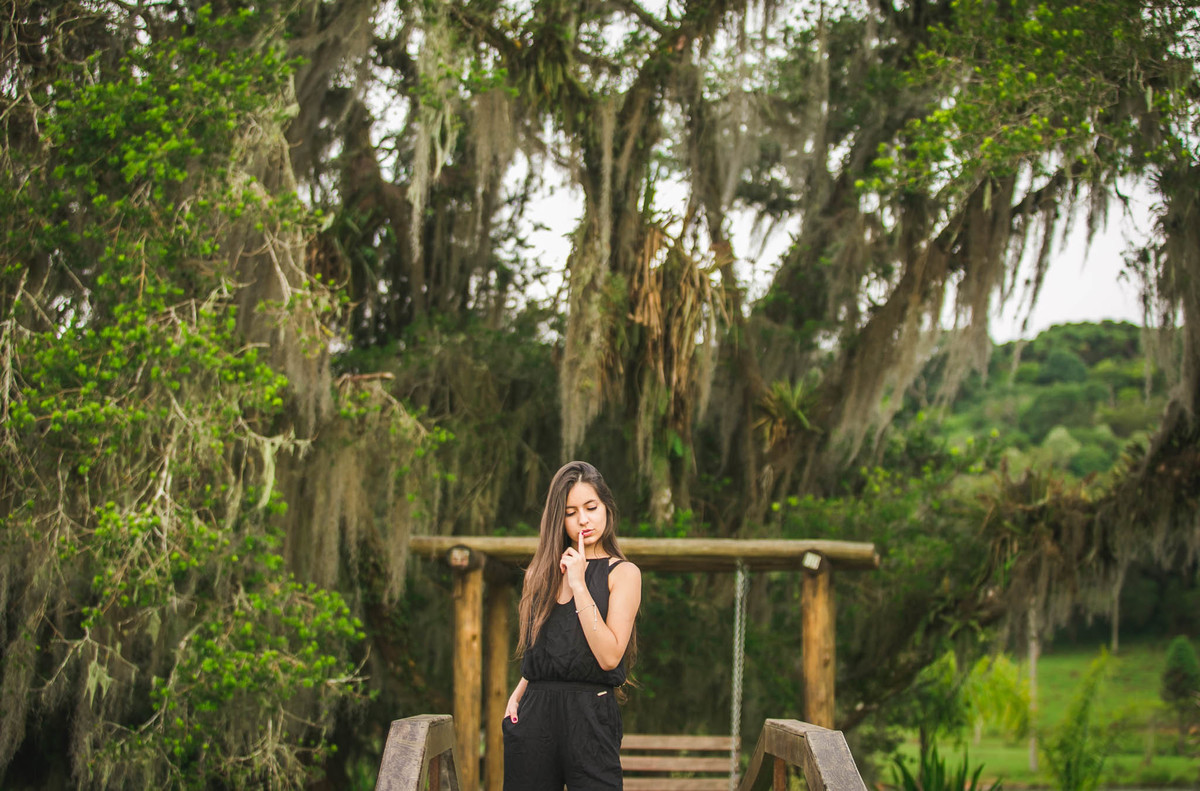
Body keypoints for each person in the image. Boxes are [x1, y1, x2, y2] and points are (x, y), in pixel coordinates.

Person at [503, 461, 642, 791]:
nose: (583, 520)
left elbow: (609, 656)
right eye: (570, 512)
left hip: (591, 713)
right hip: (534, 713)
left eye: (591, 507)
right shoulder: (538, 576)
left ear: (606, 506)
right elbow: (549, 645)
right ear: (558, 519)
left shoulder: (623, 574)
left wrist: (579, 585)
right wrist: (520, 691)